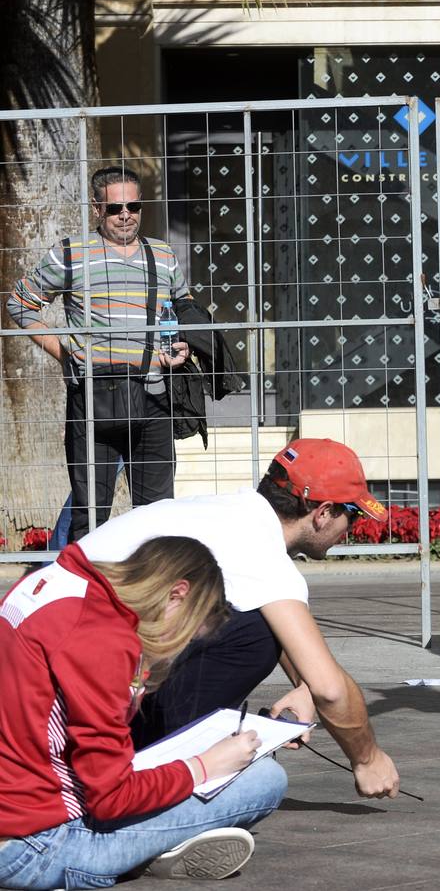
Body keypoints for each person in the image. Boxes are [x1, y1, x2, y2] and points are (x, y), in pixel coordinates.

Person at [75, 437, 402, 799]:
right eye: (351, 515)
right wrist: (367, 759)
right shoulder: (260, 549)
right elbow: (331, 689)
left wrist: (301, 685)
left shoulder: (226, 514)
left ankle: (146, 756)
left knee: (254, 625)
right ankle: (167, 774)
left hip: (48, 651)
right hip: (76, 674)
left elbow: (302, 665)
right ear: (322, 512)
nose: (352, 527)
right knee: (259, 645)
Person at [0, 536, 286, 887]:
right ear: (176, 594)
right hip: (33, 846)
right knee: (265, 779)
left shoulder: (52, 582)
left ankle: (151, 850)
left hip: (15, 809)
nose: (180, 644)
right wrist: (203, 767)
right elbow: (111, 798)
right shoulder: (103, 639)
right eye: (187, 629)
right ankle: (144, 852)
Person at [8, 165, 192, 542]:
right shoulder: (70, 254)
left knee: (158, 515)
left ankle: (151, 597)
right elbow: (20, 304)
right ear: (97, 209)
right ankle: (80, 593)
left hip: (153, 396)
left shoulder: (163, 255)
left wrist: (183, 342)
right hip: (93, 397)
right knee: (89, 516)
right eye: (114, 208)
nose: (126, 214)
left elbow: (183, 306)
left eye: (133, 206)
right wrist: (62, 351)